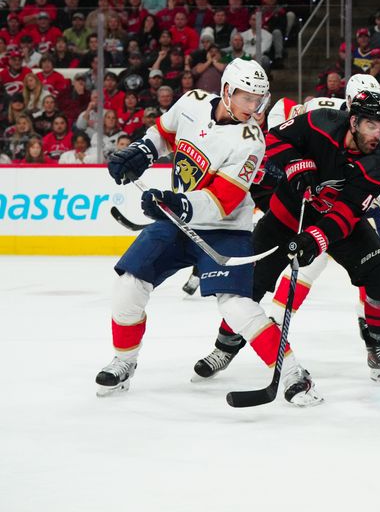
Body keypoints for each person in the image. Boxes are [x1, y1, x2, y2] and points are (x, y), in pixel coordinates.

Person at [93, 59, 306, 402]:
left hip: (225, 229)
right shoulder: (191, 102)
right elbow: (163, 133)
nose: (253, 107)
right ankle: (123, 362)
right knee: (128, 285)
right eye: (246, 97)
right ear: (226, 91)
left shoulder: (251, 140)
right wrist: (140, 152)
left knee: (236, 306)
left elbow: (225, 198)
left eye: (259, 99)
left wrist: (178, 204)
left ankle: (293, 370)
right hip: (176, 222)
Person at [192, 75, 380, 397]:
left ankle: (379, 348)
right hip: (286, 215)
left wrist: (314, 239)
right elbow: (273, 138)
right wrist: (296, 164)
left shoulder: (375, 165)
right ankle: (225, 348)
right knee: (249, 285)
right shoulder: (321, 121)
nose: (379, 134)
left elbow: (345, 217)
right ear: (354, 120)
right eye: (372, 126)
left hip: (334, 224)